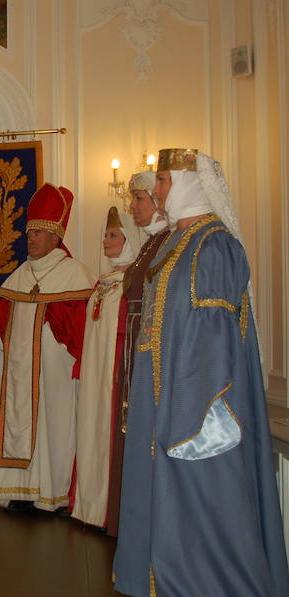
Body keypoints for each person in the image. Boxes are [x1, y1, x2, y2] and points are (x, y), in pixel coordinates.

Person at [113, 149, 288, 596]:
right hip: (165, 394)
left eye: (165, 181)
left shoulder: (214, 245)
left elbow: (213, 339)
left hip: (198, 408)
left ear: (192, 184)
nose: (157, 191)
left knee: (204, 502)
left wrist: (193, 412)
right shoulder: (179, 242)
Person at [0, 183, 93, 512]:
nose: (32, 239)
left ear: (56, 237)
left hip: (55, 375)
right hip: (20, 373)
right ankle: (19, 492)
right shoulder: (22, 273)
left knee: (52, 429)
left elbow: (80, 329)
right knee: (19, 424)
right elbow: (0, 316)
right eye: (30, 234)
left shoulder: (74, 273)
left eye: (38, 233)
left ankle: (50, 495)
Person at [105, 170, 170, 536]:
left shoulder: (165, 242)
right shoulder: (151, 243)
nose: (132, 207)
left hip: (148, 353)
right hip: (135, 350)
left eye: (139, 199)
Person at [71, 207, 139, 528]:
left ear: (130, 239)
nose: (105, 240)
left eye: (113, 235)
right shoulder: (103, 283)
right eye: (106, 234)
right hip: (95, 375)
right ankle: (89, 507)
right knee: (90, 429)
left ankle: (108, 510)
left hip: (115, 375)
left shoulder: (133, 285)